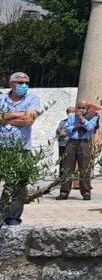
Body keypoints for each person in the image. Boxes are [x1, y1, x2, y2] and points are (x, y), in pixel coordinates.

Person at [0, 72, 44, 225]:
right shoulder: (1, 99)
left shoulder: (33, 99)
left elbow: (28, 120)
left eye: (26, 82)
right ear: (11, 83)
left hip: (21, 148)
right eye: (20, 82)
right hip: (2, 146)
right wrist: (17, 114)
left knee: (18, 184)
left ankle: (12, 216)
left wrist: (6, 118)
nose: (24, 85)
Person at [57, 99, 99, 200]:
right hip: (71, 142)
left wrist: (82, 119)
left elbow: (90, 127)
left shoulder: (93, 116)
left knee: (84, 167)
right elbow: (67, 128)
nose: (81, 110)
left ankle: (86, 192)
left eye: (83, 108)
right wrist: (77, 126)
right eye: (79, 108)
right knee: (67, 167)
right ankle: (64, 192)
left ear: (87, 109)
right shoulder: (72, 117)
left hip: (84, 143)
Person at [55, 106, 73, 172]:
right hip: (62, 144)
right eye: (69, 112)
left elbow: (74, 131)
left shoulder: (75, 122)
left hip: (70, 144)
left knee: (69, 161)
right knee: (62, 161)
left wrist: (65, 133)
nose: (70, 113)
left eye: (72, 112)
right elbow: (58, 130)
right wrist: (59, 132)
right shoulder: (62, 122)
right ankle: (61, 177)